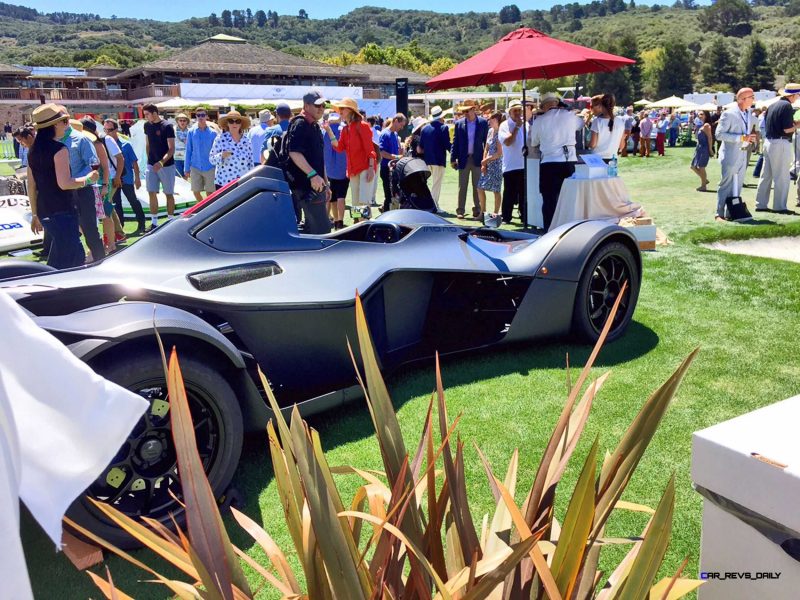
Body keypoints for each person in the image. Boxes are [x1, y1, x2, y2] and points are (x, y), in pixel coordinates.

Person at [27, 104, 98, 268]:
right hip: (63, 210)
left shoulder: (33, 151)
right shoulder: (59, 149)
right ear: (54, 125)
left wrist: (35, 214)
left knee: (61, 254)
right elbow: (65, 183)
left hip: (46, 211)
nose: (68, 124)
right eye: (65, 121)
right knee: (74, 255)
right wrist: (88, 178)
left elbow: (31, 185)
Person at [57, 107, 104, 262]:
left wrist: (75, 179)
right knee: (66, 230)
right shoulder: (53, 141)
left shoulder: (81, 139)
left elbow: (93, 163)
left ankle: (99, 261)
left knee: (89, 230)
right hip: (62, 192)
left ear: (63, 122)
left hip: (81, 191)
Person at [529, 94, 581, 231]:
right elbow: (581, 125)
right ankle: (571, 230)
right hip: (569, 161)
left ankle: (549, 230)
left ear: (544, 106)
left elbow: (534, 142)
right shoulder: (569, 116)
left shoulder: (540, 121)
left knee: (549, 200)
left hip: (549, 162)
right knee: (570, 199)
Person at [285, 90, 331, 234]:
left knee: (313, 228)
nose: (321, 108)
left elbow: (319, 157)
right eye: (318, 105)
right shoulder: (300, 124)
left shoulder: (315, 125)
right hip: (305, 185)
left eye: (323, 105)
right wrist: (312, 175)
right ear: (306, 106)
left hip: (315, 184)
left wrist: (325, 182)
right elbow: (294, 152)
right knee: (322, 229)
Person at [327, 97, 378, 223]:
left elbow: (370, 150)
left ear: (350, 110)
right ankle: (358, 227)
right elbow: (339, 148)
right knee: (355, 202)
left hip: (366, 167)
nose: (340, 111)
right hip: (353, 170)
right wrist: (329, 131)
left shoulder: (362, 126)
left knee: (363, 200)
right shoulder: (345, 129)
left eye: (342, 109)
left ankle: (365, 227)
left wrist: (371, 168)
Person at [755, 84, 800, 214]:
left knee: (766, 175)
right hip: (780, 142)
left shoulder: (773, 105)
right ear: (792, 95)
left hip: (769, 142)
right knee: (781, 176)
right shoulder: (786, 106)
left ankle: (761, 204)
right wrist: (797, 126)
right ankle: (780, 206)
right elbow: (787, 129)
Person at [715, 87, 757, 221]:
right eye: (751, 97)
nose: (753, 99)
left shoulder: (749, 114)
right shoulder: (729, 114)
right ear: (742, 99)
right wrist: (741, 138)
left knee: (737, 185)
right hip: (730, 154)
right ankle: (719, 214)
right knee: (726, 184)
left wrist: (751, 138)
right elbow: (719, 134)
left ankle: (731, 212)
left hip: (743, 154)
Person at [80, 118, 121, 254]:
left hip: (102, 183)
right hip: (90, 184)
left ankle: (111, 244)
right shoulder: (83, 143)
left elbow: (105, 167)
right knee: (91, 217)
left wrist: (104, 185)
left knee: (106, 214)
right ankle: (98, 246)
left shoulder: (98, 144)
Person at [104, 119, 146, 235]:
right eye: (105, 130)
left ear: (116, 130)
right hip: (113, 178)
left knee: (132, 200)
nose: (107, 132)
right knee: (116, 203)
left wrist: (137, 178)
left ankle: (141, 224)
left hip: (126, 177)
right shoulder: (105, 144)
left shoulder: (126, 144)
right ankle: (120, 228)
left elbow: (134, 162)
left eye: (110, 130)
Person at [142, 103, 176, 231]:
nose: (146, 117)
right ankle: (154, 222)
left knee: (168, 194)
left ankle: (170, 221)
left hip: (166, 165)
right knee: (151, 192)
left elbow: (172, 149)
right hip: (151, 165)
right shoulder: (147, 125)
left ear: (155, 113)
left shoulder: (167, 126)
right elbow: (148, 144)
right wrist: (150, 161)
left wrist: (161, 162)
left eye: (147, 114)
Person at [451, 102, 488, 219]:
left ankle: (477, 209)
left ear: (473, 109)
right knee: (462, 186)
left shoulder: (482, 123)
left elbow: (486, 142)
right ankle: (460, 210)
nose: (465, 114)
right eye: (463, 111)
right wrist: (453, 158)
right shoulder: (459, 123)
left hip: (478, 159)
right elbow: (455, 142)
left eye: (467, 111)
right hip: (463, 159)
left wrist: (486, 159)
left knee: (477, 186)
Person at [497, 99, 526, 225]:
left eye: (519, 110)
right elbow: (508, 142)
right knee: (509, 192)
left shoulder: (526, 125)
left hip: (524, 164)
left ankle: (524, 216)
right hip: (510, 165)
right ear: (510, 112)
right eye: (515, 110)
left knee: (523, 193)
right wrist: (517, 128)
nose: (518, 113)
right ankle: (506, 217)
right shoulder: (504, 126)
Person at [418, 105, 451, 211]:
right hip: (439, 160)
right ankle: (434, 206)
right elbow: (447, 145)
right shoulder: (444, 128)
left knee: (429, 184)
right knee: (436, 184)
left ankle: (428, 204)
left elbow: (420, 147)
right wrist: (455, 154)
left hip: (427, 160)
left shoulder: (424, 128)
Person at [209, 110, 253, 189]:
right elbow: (211, 159)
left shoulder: (247, 140)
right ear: (227, 123)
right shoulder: (220, 139)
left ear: (241, 124)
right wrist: (221, 155)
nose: (234, 124)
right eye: (231, 121)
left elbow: (250, 163)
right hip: (223, 183)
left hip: (242, 182)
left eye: (237, 121)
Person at [183, 109, 217, 203]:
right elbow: (188, 150)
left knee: (210, 192)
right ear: (196, 117)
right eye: (198, 115)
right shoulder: (191, 132)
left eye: (202, 115)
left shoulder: (213, 133)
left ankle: (208, 208)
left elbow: (216, 151)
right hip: (195, 166)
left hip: (210, 166)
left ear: (206, 116)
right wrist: (186, 168)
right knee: (196, 191)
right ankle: (203, 206)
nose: (200, 117)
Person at [322, 112, 348, 230]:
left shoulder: (323, 132)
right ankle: (340, 221)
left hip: (328, 170)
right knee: (342, 196)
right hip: (344, 169)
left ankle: (328, 221)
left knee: (330, 197)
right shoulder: (344, 130)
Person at [378, 113, 407, 213]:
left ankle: (387, 211)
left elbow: (396, 151)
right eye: (401, 125)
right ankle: (386, 214)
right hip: (386, 169)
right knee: (389, 195)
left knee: (394, 195)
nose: (402, 127)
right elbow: (382, 152)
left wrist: (401, 151)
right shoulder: (385, 134)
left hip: (394, 169)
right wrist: (396, 156)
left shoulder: (395, 134)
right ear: (395, 121)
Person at [477, 111, 504, 219]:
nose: (490, 121)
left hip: (497, 165)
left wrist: (486, 160)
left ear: (498, 121)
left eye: (492, 119)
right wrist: (484, 163)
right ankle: (482, 213)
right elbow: (486, 148)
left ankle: (495, 214)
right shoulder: (490, 131)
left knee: (496, 190)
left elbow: (499, 153)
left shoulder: (501, 133)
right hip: (487, 164)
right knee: (480, 187)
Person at [588, 94, 626, 161]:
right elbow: (622, 146)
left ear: (601, 105)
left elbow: (593, 144)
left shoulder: (597, 122)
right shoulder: (620, 122)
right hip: (613, 159)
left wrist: (587, 143)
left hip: (597, 159)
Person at [691, 111, 713, 192]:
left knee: (701, 166)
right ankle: (704, 180)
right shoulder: (702, 125)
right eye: (699, 114)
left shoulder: (707, 125)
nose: (699, 116)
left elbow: (710, 138)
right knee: (693, 166)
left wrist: (710, 149)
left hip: (704, 148)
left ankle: (703, 186)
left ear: (706, 116)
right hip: (699, 148)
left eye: (701, 114)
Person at [172, 113, 190, 177]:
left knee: (186, 176)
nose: (182, 122)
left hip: (187, 157)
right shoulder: (172, 130)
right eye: (180, 120)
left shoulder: (190, 131)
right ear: (177, 121)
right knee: (178, 177)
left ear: (187, 122)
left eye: (184, 120)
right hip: (176, 157)